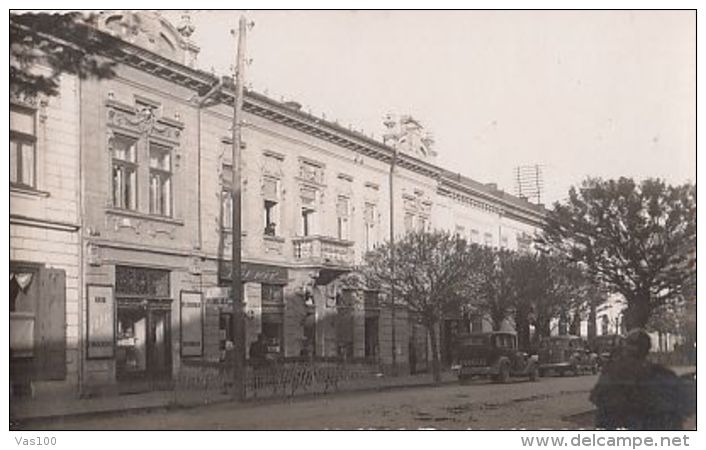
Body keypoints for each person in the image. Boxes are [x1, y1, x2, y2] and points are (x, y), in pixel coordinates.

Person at [589, 328, 693, 430]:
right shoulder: (662, 373)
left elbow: (596, 397)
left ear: (625, 348)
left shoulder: (613, 371)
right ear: (647, 349)